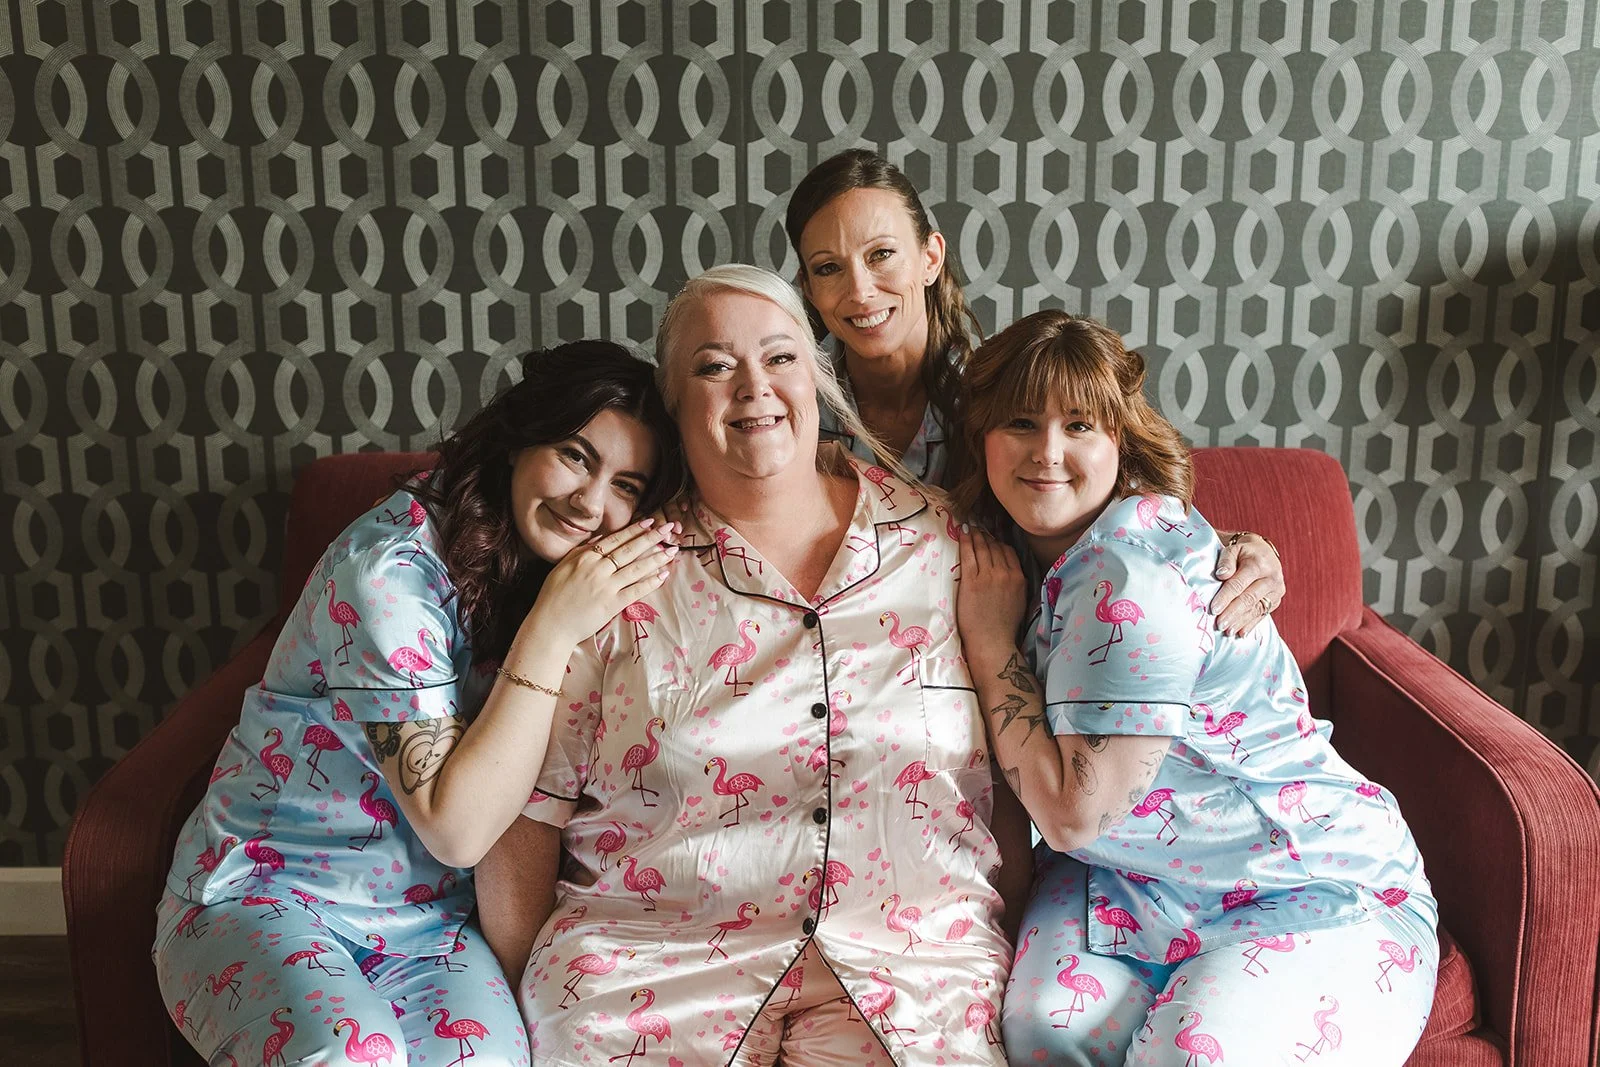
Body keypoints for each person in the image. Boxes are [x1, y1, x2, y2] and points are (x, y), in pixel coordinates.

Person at [476, 265, 1030, 1066]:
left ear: (817, 379)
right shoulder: (611, 578)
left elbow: (1100, 538)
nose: (753, 387)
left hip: (913, 974)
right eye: (713, 365)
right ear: (672, 403)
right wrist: (531, 993)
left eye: (779, 358)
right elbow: (528, 812)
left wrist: (1231, 555)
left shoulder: (948, 549)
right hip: (648, 972)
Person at [152, 342, 687, 1066]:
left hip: (427, 926)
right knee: (352, 1055)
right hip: (264, 893)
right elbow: (459, 832)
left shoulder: (557, 578)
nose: (591, 504)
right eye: (576, 454)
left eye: (628, 483)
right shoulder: (391, 575)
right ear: (519, 438)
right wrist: (552, 628)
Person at [950, 310, 1438, 1065]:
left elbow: (1074, 814)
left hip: (1305, 883)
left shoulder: (1134, 576)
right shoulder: (1005, 545)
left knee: (1193, 1055)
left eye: (1079, 425)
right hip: (1132, 880)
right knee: (1047, 1029)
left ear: (1120, 442)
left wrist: (987, 641)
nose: (1047, 451)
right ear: (982, 437)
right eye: (1020, 421)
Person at [784, 148, 1284, 638]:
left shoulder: (1005, 396)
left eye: (882, 255)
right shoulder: (785, 412)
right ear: (808, 287)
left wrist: (1235, 547)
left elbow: (1106, 501)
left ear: (930, 258)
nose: (860, 291)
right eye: (829, 268)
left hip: (980, 658)